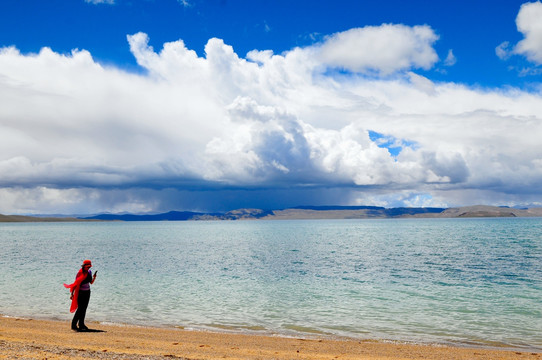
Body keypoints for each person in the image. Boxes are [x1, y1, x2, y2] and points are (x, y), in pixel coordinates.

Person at [63, 259, 97, 331]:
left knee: (84, 309)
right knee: (80, 309)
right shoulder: (79, 273)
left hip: (87, 292)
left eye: (89, 267)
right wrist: (72, 294)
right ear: (84, 266)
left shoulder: (89, 272)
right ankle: (73, 324)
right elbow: (75, 284)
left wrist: (94, 277)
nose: (89, 268)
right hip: (80, 292)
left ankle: (81, 324)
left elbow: (91, 282)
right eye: (87, 267)